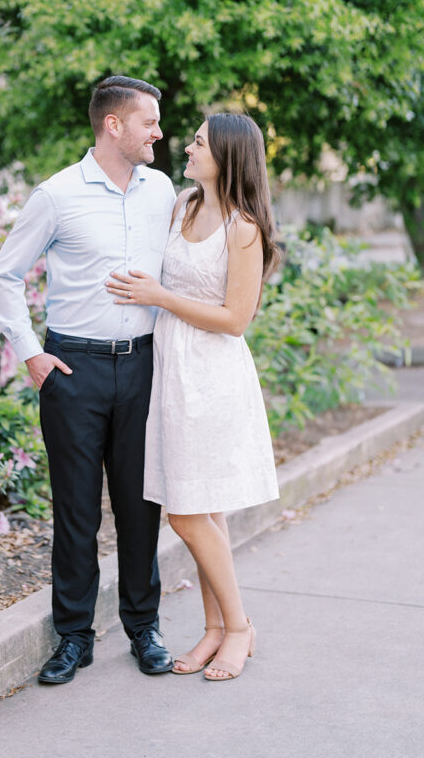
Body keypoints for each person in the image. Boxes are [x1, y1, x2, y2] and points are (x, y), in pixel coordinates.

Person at [0, 76, 176, 685]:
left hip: (144, 364)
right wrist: (32, 354)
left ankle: (143, 629)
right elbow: (4, 275)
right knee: (76, 511)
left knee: (140, 506)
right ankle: (73, 637)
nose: (159, 132)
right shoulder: (56, 195)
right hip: (73, 370)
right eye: (148, 122)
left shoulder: (163, 190)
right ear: (113, 125)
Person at [106, 111, 280, 682]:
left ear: (226, 156)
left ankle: (239, 628)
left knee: (184, 510)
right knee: (203, 507)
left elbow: (235, 319)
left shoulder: (243, 226)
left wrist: (161, 296)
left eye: (199, 142)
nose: (188, 146)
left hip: (213, 378)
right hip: (172, 373)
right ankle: (212, 629)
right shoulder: (183, 204)